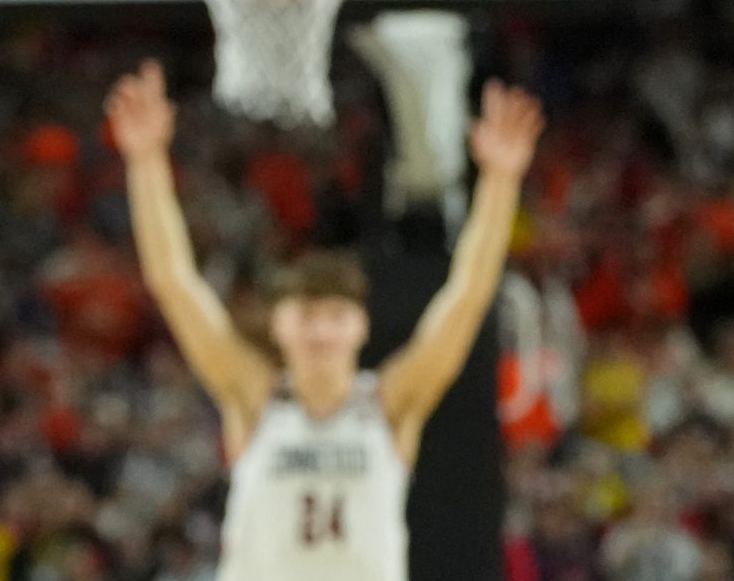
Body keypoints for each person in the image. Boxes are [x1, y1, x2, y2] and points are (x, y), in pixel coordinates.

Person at [105, 61, 543, 581]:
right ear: (279, 327)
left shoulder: (390, 404)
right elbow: (174, 284)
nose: (320, 331)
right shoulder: (252, 396)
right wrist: (146, 160)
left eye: (334, 317)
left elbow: (467, 296)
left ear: (360, 327)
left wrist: (499, 180)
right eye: (307, 316)